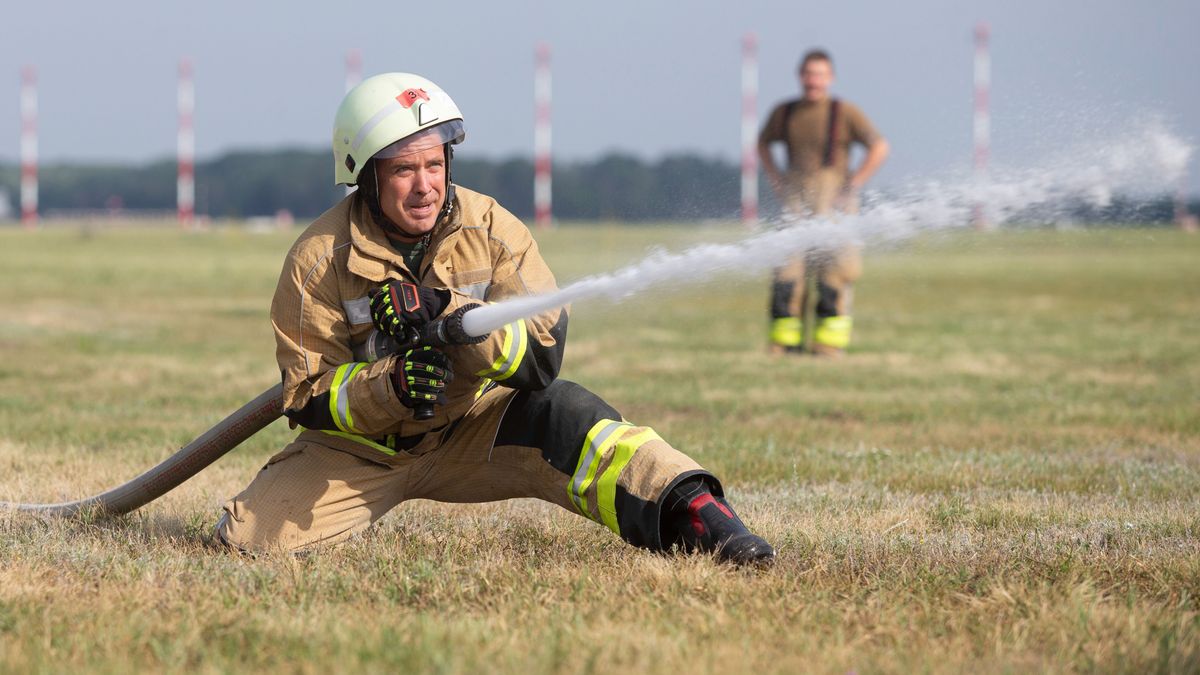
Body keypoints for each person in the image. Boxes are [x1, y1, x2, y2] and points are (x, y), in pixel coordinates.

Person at [215, 72, 775, 566]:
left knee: (568, 414)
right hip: (360, 450)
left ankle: (699, 517)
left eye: (435, 164)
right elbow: (309, 395)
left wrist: (449, 313)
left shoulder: (494, 229)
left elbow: (540, 358)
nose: (425, 185)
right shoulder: (318, 260)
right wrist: (392, 387)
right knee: (251, 540)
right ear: (366, 178)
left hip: (472, 426)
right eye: (404, 169)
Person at [759, 49, 889, 357]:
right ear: (799, 76)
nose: (813, 80)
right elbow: (762, 143)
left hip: (835, 204)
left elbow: (879, 146)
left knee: (835, 273)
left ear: (830, 78)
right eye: (808, 73)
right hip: (795, 201)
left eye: (819, 74)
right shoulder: (785, 112)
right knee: (786, 275)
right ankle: (784, 344)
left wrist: (855, 181)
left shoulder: (845, 112)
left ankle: (828, 345)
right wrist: (775, 178)